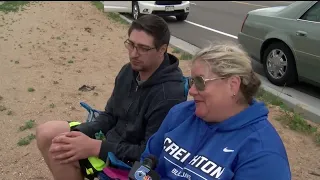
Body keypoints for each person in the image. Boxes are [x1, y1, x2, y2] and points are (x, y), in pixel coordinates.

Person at [36, 14, 187, 180]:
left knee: (61, 152)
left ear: (162, 49)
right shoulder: (128, 71)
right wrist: (82, 133)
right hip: (109, 138)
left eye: (143, 48)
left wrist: (96, 148)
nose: (134, 54)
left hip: (127, 160)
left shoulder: (169, 95)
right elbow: (109, 115)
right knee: (46, 133)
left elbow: (149, 153)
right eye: (131, 44)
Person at [141, 42, 291, 180]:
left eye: (200, 82)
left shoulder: (262, 153)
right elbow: (146, 163)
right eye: (192, 81)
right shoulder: (180, 114)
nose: (192, 91)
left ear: (233, 85)